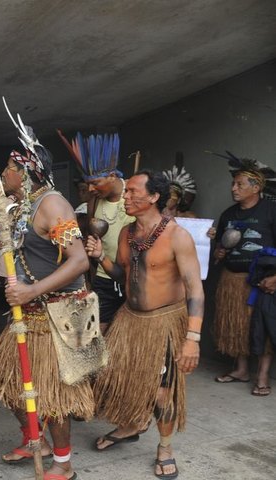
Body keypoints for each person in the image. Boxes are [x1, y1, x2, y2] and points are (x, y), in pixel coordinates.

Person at [0, 107, 98, 480]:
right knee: (14, 385)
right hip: (29, 313)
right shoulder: (23, 207)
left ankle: (63, 463)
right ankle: (35, 439)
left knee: (56, 395)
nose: (4, 174)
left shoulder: (54, 205)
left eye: (9, 168)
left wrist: (31, 291)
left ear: (25, 171)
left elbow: (79, 262)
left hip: (61, 314)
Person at [86, 170, 203, 479]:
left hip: (164, 323)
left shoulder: (177, 236)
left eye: (132, 192)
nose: (125, 197)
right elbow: (123, 277)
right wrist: (101, 258)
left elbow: (195, 289)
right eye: (126, 193)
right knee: (120, 378)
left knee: (163, 392)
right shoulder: (126, 232)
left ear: (153, 197)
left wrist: (192, 337)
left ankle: (165, 448)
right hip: (130, 319)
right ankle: (131, 425)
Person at [210, 152, 276, 396]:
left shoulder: (271, 210)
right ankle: (241, 369)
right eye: (233, 184)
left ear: (256, 187)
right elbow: (220, 250)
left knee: (263, 329)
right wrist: (218, 253)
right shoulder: (228, 215)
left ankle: (262, 377)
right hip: (232, 280)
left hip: (263, 282)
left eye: (239, 184)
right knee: (237, 327)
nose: (233, 189)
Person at [58, 131, 133, 333]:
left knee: (127, 334)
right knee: (97, 333)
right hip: (103, 277)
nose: (90, 189)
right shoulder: (95, 201)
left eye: (95, 183)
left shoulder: (133, 195)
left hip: (131, 278)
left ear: (112, 176)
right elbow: (90, 239)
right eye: (88, 183)